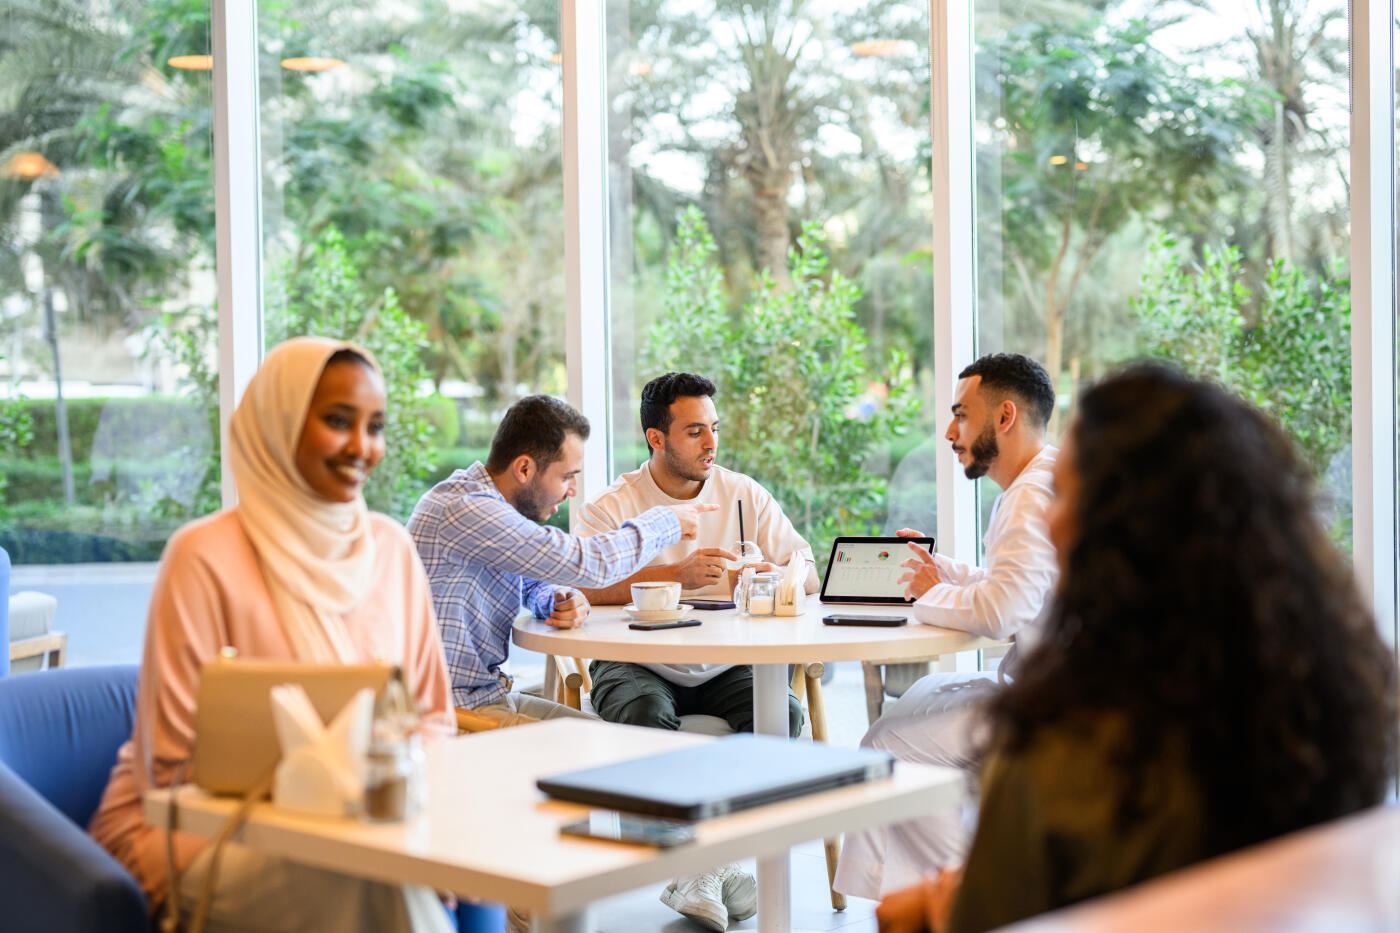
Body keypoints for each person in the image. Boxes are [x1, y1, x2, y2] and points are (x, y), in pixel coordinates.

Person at [876, 364, 1398, 933]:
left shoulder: (1059, 756)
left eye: (1069, 496)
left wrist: (930, 908)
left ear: (1128, 530)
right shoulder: (1338, 713)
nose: (1046, 520)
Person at [89, 337, 456, 933]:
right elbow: (175, 768)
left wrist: (404, 823)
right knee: (368, 880)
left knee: (376, 871)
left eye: (376, 426)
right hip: (193, 832)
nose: (363, 447)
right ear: (279, 423)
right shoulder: (203, 555)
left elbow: (432, 722)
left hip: (367, 827)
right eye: (338, 421)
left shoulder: (392, 550)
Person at [572, 371, 819, 930]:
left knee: (783, 716)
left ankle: (708, 865)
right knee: (640, 713)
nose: (711, 443)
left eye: (714, 429)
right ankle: (702, 867)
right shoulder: (614, 505)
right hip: (636, 661)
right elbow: (576, 583)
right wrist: (674, 576)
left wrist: (771, 574)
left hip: (729, 664)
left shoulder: (743, 493)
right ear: (656, 439)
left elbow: (805, 570)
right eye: (694, 432)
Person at [835, 352, 1060, 900]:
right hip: (1046, 687)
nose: (948, 432)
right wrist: (942, 572)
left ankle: (969, 900)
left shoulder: (1029, 497)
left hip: (1051, 708)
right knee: (921, 695)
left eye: (961, 415)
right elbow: (1019, 585)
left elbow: (1005, 611)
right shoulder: (1039, 480)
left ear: (1004, 417)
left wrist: (923, 594)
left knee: (883, 747)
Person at [407, 394, 715, 726]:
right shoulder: (467, 509)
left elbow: (531, 580)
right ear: (524, 468)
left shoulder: (483, 506)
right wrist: (667, 521)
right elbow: (589, 563)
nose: (572, 489)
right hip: (451, 714)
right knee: (606, 749)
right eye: (567, 476)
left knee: (610, 740)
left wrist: (554, 598)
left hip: (485, 697)